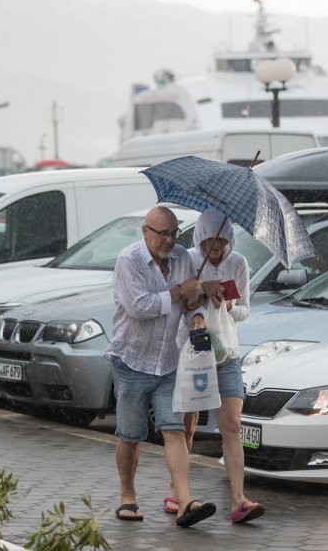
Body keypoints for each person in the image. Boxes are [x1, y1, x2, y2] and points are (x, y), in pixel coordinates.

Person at [105, 205, 225, 527]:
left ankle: (185, 500)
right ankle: (127, 496)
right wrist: (178, 292)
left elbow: (188, 302)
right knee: (131, 435)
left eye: (174, 234)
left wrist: (195, 315)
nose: (170, 240)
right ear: (145, 231)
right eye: (163, 234)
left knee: (174, 430)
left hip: (168, 362)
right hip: (131, 361)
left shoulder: (184, 258)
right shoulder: (128, 260)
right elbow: (139, 306)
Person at [166, 208, 266, 524]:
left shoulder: (238, 264)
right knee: (189, 423)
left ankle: (238, 501)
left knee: (232, 425)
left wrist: (232, 306)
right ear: (200, 238)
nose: (218, 247)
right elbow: (181, 305)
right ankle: (177, 493)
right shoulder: (188, 262)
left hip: (226, 354)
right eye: (211, 240)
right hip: (194, 353)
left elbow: (246, 309)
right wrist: (200, 291)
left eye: (223, 241)